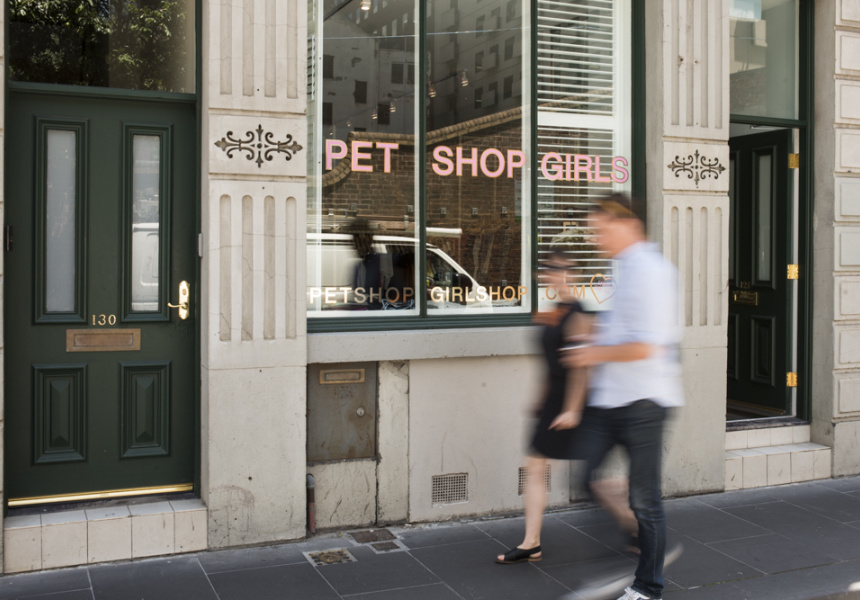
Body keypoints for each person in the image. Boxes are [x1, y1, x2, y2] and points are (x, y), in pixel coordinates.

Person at [564, 194, 684, 600]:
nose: (596, 239)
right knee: (587, 474)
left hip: (645, 401)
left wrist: (592, 351)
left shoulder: (652, 271)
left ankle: (648, 586)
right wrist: (592, 334)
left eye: (600, 230)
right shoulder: (622, 269)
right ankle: (635, 535)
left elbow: (647, 346)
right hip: (610, 398)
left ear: (627, 223)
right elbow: (620, 331)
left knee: (645, 498)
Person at [495, 251, 639, 566]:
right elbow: (549, 362)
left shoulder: (577, 313)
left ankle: (635, 525)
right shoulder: (553, 311)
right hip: (553, 402)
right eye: (549, 270)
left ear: (570, 275)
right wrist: (540, 396)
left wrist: (573, 409)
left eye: (561, 270)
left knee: (591, 480)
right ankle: (531, 543)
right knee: (536, 467)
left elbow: (581, 368)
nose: (554, 275)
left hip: (575, 405)